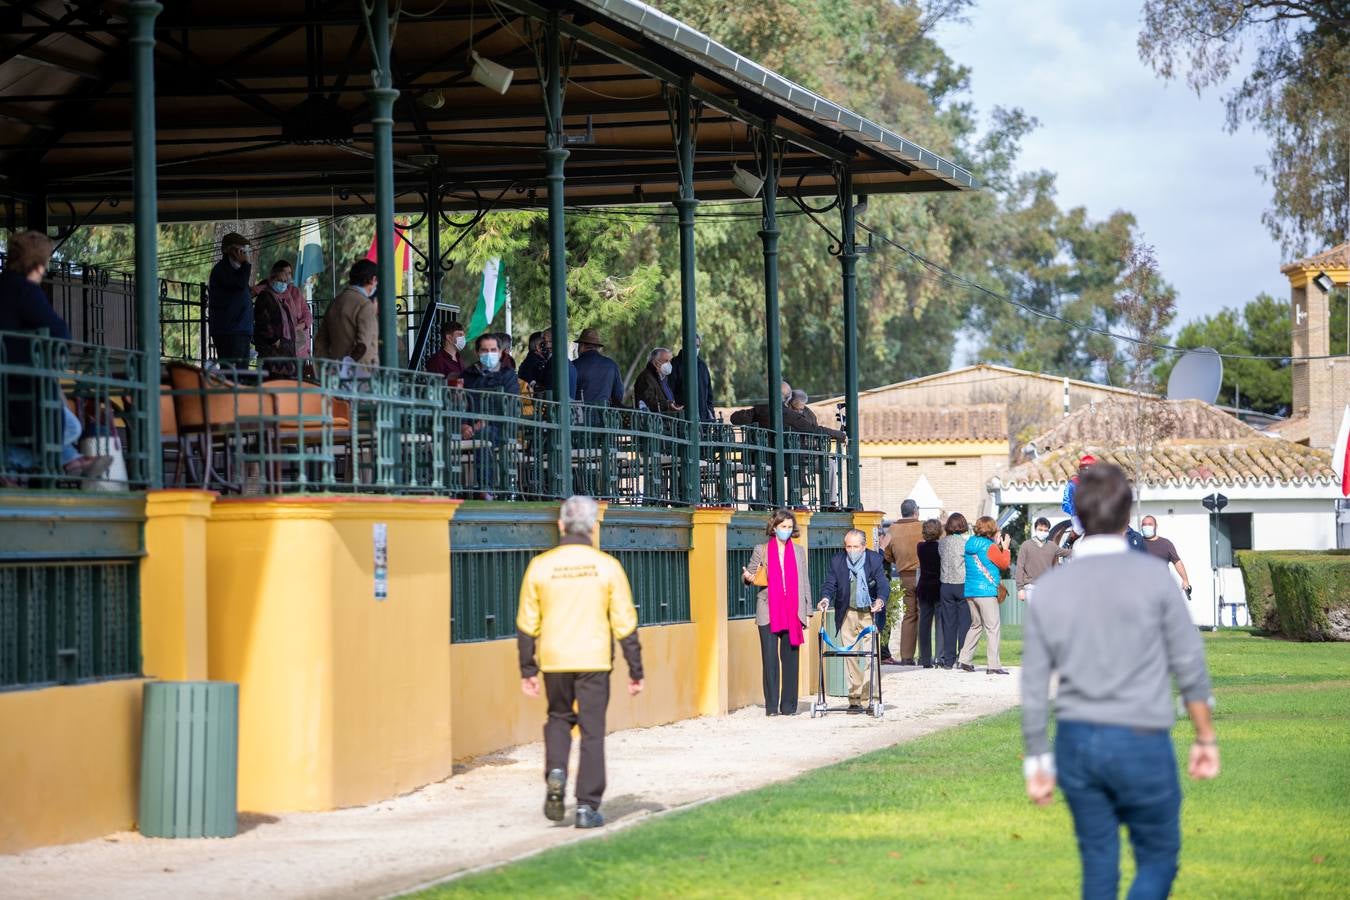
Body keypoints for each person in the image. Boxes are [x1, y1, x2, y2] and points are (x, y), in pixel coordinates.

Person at [1021, 462, 1218, 899]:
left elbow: (1035, 680)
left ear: (1077, 521)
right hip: (1142, 738)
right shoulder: (1152, 578)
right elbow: (1189, 662)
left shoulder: (1053, 588)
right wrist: (1204, 737)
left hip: (1077, 741)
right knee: (1158, 859)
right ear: (1128, 517)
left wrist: (1036, 758)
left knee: (1097, 867)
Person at [517, 495, 644, 830]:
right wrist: (636, 669)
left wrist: (528, 669)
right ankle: (587, 806)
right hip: (594, 660)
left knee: (558, 717)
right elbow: (625, 623)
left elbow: (527, 622)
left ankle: (556, 771)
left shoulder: (541, 566)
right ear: (591, 526)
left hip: (555, 659)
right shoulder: (606, 567)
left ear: (561, 525)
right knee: (592, 731)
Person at [0, 230, 111, 478]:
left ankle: (71, 461)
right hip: (25, 386)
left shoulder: (3, 285)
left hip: (7, 386)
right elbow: (59, 332)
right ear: (38, 265)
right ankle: (13, 463)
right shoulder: (26, 291)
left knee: (65, 429)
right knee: (70, 428)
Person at [742, 509, 811, 716]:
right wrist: (747, 577)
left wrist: (807, 609)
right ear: (774, 528)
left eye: (790, 527)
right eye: (783, 527)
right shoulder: (761, 550)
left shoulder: (798, 552)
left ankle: (789, 706)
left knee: (790, 658)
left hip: (793, 610)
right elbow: (749, 576)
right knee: (769, 658)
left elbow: (804, 581)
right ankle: (771, 707)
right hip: (768, 608)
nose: (786, 531)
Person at [816, 529, 890, 713]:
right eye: (848, 546)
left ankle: (869, 697)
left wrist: (880, 600)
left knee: (870, 656)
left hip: (869, 613)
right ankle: (855, 698)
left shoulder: (875, 560)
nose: (852, 550)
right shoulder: (837, 561)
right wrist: (825, 598)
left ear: (863, 546)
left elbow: (883, 583)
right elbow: (830, 584)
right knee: (849, 656)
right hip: (847, 613)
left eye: (856, 546)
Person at [461, 333, 520, 499]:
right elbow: (460, 403)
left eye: (493, 350)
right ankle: (443, 491)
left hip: (500, 428)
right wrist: (463, 425)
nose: (489, 354)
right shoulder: (468, 375)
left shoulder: (508, 376)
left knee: (483, 437)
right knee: (441, 433)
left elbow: (510, 407)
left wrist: (484, 422)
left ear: (500, 352)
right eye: (484, 350)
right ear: (477, 352)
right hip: (469, 428)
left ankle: (486, 489)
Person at [959, 516, 1012, 675]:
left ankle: (964, 659)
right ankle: (993, 665)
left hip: (970, 591)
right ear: (991, 529)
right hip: (986, 592)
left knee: (976, 625)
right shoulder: (990, 546)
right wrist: (1006, 547)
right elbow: (1004, 564)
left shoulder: (969, 543)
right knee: (992, 627)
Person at [313, 259, 379, 366]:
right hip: (362, 373)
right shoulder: (365, 305)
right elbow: (362, 345)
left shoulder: (334, 303)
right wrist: (346, 366)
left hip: (335, 373)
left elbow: (320, 341)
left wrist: (330, 367)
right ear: (373, 279)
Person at [882, 499, 923, 665]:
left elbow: (886, 554)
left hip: (904, 576)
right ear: (915, 511)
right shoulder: (922, 527)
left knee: (909, 615)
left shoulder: (892, 530)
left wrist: (898, 560)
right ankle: (924, 655)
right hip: (923, 574)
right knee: (924, 615)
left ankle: (906, 656)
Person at [208, 232, 255, 364]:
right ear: (232, 251)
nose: (246, 255)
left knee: (242, 375)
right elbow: (239, 285)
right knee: (235, 374)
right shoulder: (222, 270)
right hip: (230, 331)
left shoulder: (237, 272)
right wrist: (245, 264)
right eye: (243, 251)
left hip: (241, 329)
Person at [252, 259, 312, 358]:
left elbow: (307, 314)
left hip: (299, 344)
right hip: (278, 347)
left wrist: (299, 327)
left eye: (289, 273)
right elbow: (264, 322)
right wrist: (276, 340)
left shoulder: (295, 291)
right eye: (284, 273)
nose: (287, 276)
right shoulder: (268, 293)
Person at [936, 513, 971, 669]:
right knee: (964, 622)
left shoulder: (941, 543)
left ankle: (948, 660)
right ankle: (962, 657)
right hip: (961, 583)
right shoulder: (966, 543)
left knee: (948, 624)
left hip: (945, 585)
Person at [251, 261, 299, 373]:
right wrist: (275, 341)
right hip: (272, 350)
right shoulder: (265, 297)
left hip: (283, 349)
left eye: (285, 281)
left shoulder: (278, 298)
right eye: (280, 280)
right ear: (272, 280)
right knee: (275, 382)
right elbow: (263, 322)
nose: (283, 284)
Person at [1015, 516, 1067, 602]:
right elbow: (1020, 567)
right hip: (1030, 587)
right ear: (1035, 529)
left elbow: (1066, 552)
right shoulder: (1026, 545)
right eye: (1040, 529)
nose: (1043, 532)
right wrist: (1020, 589)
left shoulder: (1052, 546)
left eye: (1046, 530)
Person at [1140, 515, 1192, 597]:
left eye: (1150, 524)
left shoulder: (1166, 544)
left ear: (1156, 526)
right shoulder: (1138, 542)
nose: (1147, 526)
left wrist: (1185, 580)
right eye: (1144, 524)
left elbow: (1177, 562)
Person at [915, 518, 943, 667]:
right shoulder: (941, 548)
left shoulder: (920, 547)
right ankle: (939, 656)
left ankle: (925, 658)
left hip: (924, 586)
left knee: (924, 624)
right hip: (938, 586)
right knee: (940, 623)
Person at [573, 327, 624, 407]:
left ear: (581, 346)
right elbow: (618, 396)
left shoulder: (573, 365)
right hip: (604, 416)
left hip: (580, 416)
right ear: (597, 347)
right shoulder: (612, 365)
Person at [670, 333, 713, 422]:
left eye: (697, 346)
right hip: (682, 421)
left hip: (703, 420)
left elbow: (709, 395)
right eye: (693, 345)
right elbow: (670, 392)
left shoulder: (702, 366)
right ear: (684, 344)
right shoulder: (675, 364)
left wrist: (711, 414)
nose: (695, 348)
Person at [633, 347, 683, 414]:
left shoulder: (663, 378)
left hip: (665, 421)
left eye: (670, 361)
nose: (669, 364)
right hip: (653, 422)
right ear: (655, 363)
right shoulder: (645, 377)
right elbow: (648, 401)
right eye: (666, 361)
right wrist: (667, 405)